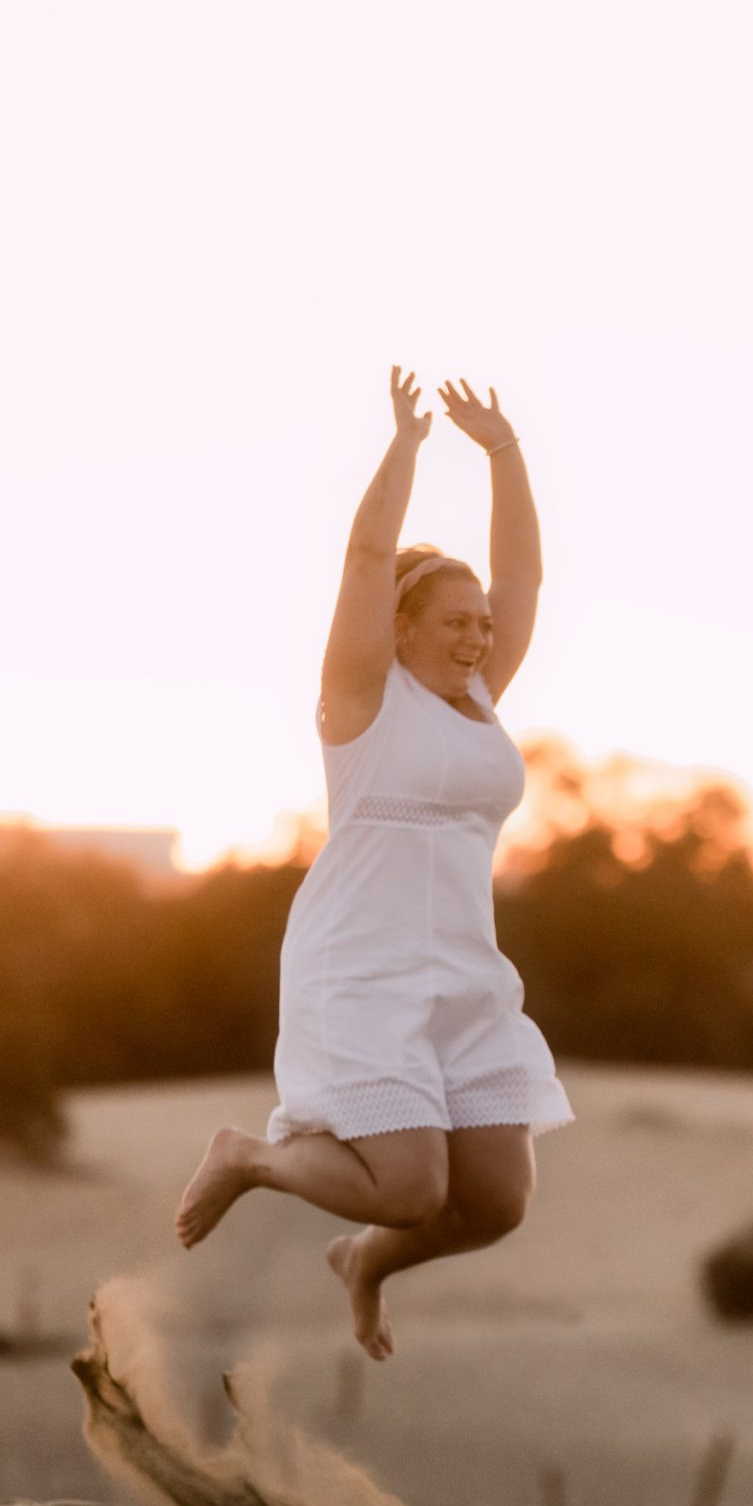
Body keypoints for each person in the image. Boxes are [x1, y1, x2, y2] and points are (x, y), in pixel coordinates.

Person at [173, 368, 571, 1361]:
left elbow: (522, 580)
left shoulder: (478, 699)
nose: (479, 633)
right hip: (360, 967)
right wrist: (406, 442)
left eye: (481, 624)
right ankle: (254, 1157)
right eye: (456, 621)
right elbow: (362, 557)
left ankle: (365, 1261)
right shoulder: (361, 702)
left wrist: (505, 451)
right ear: (402, 628)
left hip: (463, 976)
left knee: (495, 1201)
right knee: (412, 1185)